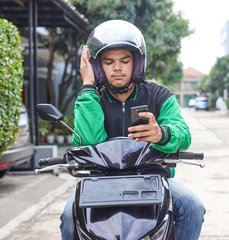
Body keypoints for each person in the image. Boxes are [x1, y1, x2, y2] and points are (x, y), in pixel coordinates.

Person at [60, 19, 205, 240]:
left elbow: (183, 134)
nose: (117, 67)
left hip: (151, 179)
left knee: (193, 207)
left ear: (136, 63)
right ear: (97, 66)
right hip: (100, 183)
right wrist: (88, 86)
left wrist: (162, 133)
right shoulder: (91, 98)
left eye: (124, 61)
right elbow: (87, 142)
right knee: (69, 216)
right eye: (108, 62)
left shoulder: (159, 95)